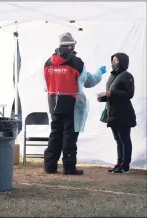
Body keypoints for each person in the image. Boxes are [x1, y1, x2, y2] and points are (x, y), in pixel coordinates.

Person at [43, 32, 107, 175]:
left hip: (53, 102)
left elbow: (45, 85)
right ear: (72, 46)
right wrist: (99, 73)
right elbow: (89, 81)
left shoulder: (48, 62)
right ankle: (69, 167)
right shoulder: (77, 63)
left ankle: (50, 166)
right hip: (72, 103)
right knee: (69, 135)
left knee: (55, 133)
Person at [97, 53, 136, 174]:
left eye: (116, 60)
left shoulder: (127, 76)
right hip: (112, 112)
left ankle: (125, 165)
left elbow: (129, 94)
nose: (113, 62)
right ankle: (119, 163)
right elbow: (111, 93)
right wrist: (103, 98)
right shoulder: (112, 76)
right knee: (118, 139)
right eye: (112, 60)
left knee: (124, 139)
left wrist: (111, 94)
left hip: (123, 112)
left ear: (122, 62)